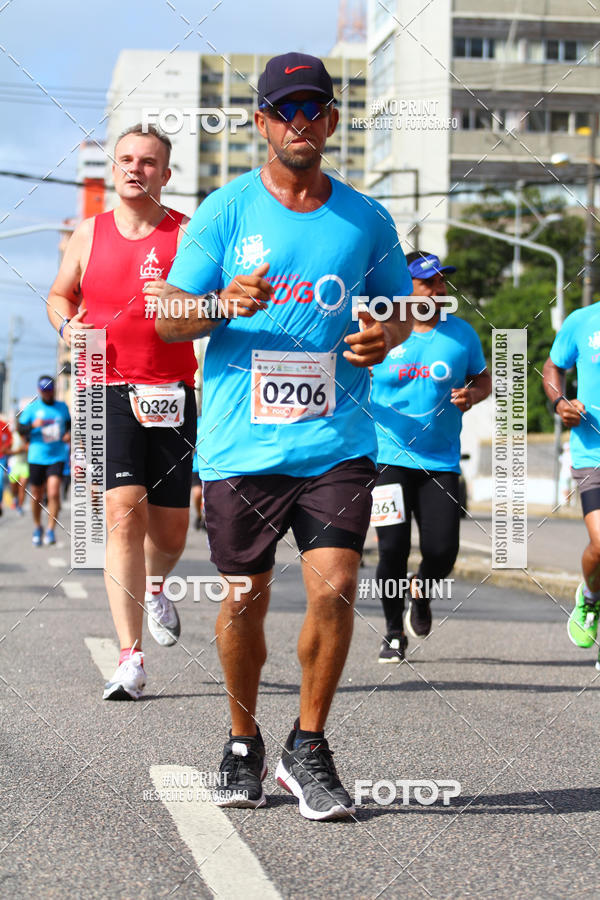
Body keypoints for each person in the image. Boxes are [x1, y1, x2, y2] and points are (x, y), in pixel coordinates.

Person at [154, 52, 412, 820]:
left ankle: (309, 745)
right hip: (242, 445)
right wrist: (220, 304)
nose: (300, 123)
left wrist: (387, 333)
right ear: (262, 123)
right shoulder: (225, 211)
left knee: (337, 582)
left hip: (337, 441)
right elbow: (168, 316)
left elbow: (404, 307)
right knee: (244, 597)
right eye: (285, 110)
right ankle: (242, 741)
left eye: (313, 109)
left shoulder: (367, 219)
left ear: (331, 120)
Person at [46, 124, 197, 700]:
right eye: (127, 159)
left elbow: (222, 301)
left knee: (171, 530)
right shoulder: (89, 233)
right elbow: (60, 294)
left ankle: (156, 584)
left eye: (148, 161)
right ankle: (130, 659)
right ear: (114, 169)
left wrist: (185, 302)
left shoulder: (188, 233)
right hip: (104, 388)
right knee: (122, 510)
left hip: (172, 391)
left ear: (166, 173)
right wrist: (66, 325)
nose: (136, 168)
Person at [370, 251, 491, 662]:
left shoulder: (461, 335)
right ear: (404, 287)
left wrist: (472, 394)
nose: (439, 289)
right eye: (429, 282)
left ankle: (420, 591)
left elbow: (482, 378)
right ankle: (392, 632)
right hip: (387, 458)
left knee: (442, 551)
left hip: (439, 461)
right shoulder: (380, 329)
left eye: (442, 281)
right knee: (392, 548)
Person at [543, 305, 600, 665]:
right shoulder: (582, 321)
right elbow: (553, 366)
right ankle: (591, 597)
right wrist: (560, 402)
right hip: (593, 452)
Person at [18, 376, 71, 545]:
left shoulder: (62, 407)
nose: (47, 393)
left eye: (49, 390)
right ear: (39, 391)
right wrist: (33, 426)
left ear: (54, 390)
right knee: (37, 495)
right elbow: (20, 428)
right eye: (44, 391)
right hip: (37, 456)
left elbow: (69, 425)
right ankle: (37, 526)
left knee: (54, 492)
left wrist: (68, 434)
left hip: (57, 455)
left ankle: (50, 530)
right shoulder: (32, 408)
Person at [191, 414, 204, 529]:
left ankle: (207, 518)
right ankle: (199, 515)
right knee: (198, 493)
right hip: (196, 466)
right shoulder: (196, 422)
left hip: (213, 466)